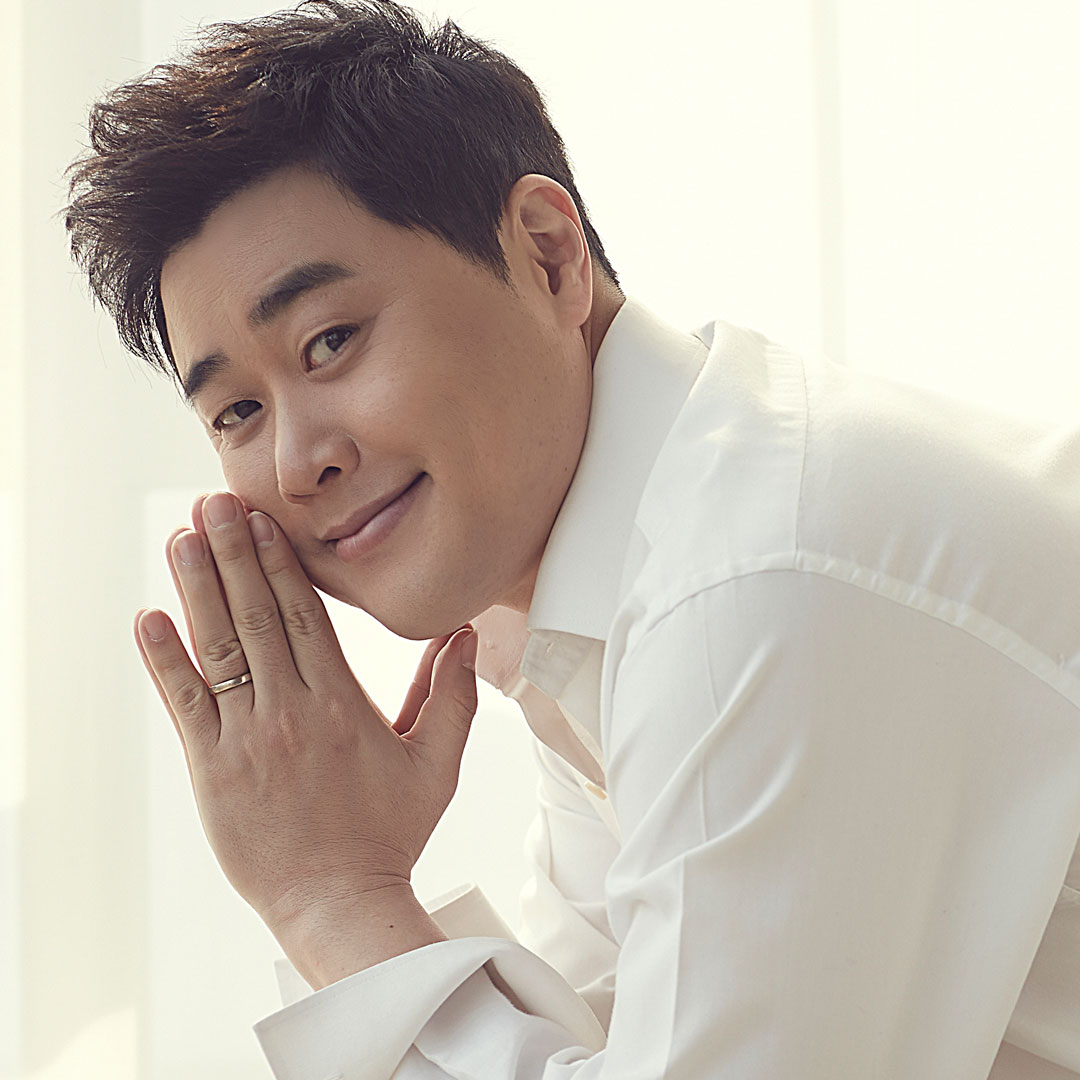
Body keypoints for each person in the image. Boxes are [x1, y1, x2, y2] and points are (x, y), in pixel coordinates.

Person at [64, 1, 1080, 1076]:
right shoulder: (612, 578)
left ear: (548, 255)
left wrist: (332, 895)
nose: (293, 462)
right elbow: (607, 1035)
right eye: (235, 412)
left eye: (330, 341)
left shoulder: (755, 586)